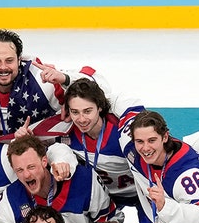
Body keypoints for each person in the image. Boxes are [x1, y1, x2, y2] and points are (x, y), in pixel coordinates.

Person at [23, 78, 139, 210]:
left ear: (100, 107)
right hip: (101, 196)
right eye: (75, 112)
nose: (82, 119)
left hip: (139, 193)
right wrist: (22, 137)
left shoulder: (121, 131)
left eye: (87, 111)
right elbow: (29, 144)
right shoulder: (64, 128)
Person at [0, 134, 114, 223]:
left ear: (44, 161)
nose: (26, 174)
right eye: (19, 170)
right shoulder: (10, 198)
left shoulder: (84, 180)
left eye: (31, 167)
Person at [0, 29, 96, 137]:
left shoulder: (41, 81)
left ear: (19, 60)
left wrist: (65, 81)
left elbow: (95, 87)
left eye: (9, 60)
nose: (3, 67)